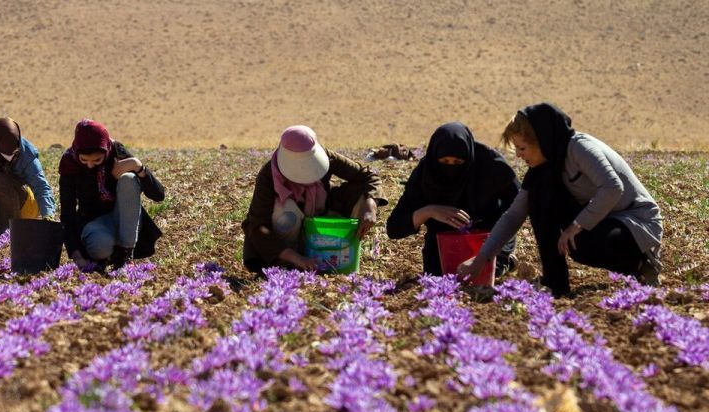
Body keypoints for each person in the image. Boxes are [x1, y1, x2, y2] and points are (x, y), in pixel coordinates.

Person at [458, 103, 663, 296]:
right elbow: (513, 216)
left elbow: (613, 187)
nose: (519, 156)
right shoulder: (542, 169)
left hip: (635, 221)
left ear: (541, 140)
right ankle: (555, 282)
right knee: (539, 196)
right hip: (603, 219)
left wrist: (576, 225)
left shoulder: (579, 147)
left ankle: (641, 264)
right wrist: (481, 258)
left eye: (522, 148)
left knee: (581, 243)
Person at [242, 125, 385, 273]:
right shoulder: (268, 175)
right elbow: (258, 227)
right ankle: (286, 263)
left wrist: (370, 205)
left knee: (363, 191)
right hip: (284, 247)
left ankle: (334, 251)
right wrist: (296, 258)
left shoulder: (328, 156)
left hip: (317, 225)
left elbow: (369, 176)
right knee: (285, 210)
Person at [385, 122, 520, 276]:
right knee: (437, 276)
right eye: (444, 162)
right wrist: (430, 211)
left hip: (487, 237)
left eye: (458, 162)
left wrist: (498, 247)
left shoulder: (489, 163)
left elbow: (517, 203)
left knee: (484, 274)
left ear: (468, 158)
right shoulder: (425, 174)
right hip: (443, 240)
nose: (451, 167)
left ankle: (505, 262)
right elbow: (394, 228)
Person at [59, 119, 166, 269]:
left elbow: (159, 195)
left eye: (97, 160)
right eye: (84, 160)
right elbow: (67, 213)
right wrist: (76, 256)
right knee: (100, 246)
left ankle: (126, 254)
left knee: (129, 179)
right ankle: (111, 254)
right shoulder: (69, 163)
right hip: (93, 223)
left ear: (106, 151)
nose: (90, 165)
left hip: (127, 220)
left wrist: (137, 166)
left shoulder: (116, 151)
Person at [0, 118, 56, 235]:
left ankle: (11, 230)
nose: (11, 157)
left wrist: (48, 215)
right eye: (7, 154)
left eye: (14, 153)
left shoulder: (27, 153)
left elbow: (41, 186)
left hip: (24, 205)